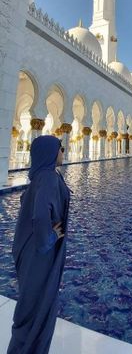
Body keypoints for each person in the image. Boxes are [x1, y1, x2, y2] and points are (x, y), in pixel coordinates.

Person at [7, 135, 71, 354]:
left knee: (32, 305)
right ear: (50, 153)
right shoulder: (47, 178)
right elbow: (40, 215)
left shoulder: (40, 177)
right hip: (39, 256)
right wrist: (50, 238)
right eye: (60, 148)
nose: (63, 151)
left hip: (31, 253)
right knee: (36, 308)